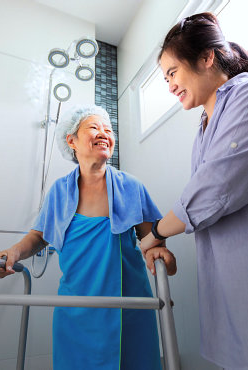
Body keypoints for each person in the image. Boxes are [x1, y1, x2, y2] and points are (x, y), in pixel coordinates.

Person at [0, 105, 176, 370]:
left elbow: (152, 240)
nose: (104, 133)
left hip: (128, 306)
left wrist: (158, 254)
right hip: (76, 307)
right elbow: (39, 236)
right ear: (71, 140)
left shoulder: (131, 186)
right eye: (94, 127)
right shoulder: (59, 190)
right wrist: (13, 252)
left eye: (108, 130)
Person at [140, 12, 248, 370]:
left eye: (172, 72)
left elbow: (216, 185)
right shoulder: (204, 124)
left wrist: (154, 234)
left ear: (206, 58)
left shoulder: (244, 95)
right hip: (228, 277)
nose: (169, 85)